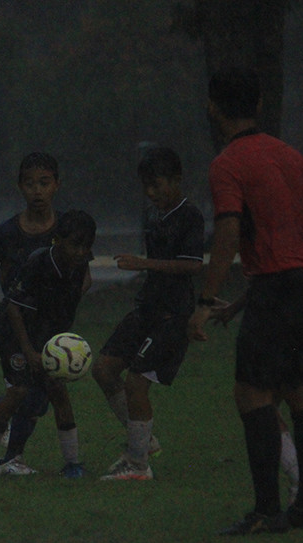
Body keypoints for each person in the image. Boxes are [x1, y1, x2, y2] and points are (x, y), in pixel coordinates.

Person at [188, 66, 303, 535]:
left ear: (212, 107)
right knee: (302, 392)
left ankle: (267, 510)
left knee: (252, 393)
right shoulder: (290, 155)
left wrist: (206, 299)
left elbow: (229, 231)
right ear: (256, 104)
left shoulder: (227, 164)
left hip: (279, 285)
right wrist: (297, 266)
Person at [0, 153, 89, 475]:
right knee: (23, 393)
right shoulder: (6, 233)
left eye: (44, 183)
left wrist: (64, 306)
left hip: (50, 328)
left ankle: (69, 464)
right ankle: (1, 458)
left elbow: (82, 276)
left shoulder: (70, 230)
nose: (37, 191)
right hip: (15, 323)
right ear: (20, 186)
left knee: (44, 396)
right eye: (30, 184)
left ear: (56, 185)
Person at [93, 147, 205, 481]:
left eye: (157, 185)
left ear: (177, 179)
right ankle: (144, 440)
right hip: (148, 308)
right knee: (103, 369)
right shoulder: (154, 215)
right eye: (146, 186)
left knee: (136, 382)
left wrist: (144, 264)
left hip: (173, 314)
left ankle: (138, 464)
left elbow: (192, 265)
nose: (151, 192)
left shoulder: (190, 216)